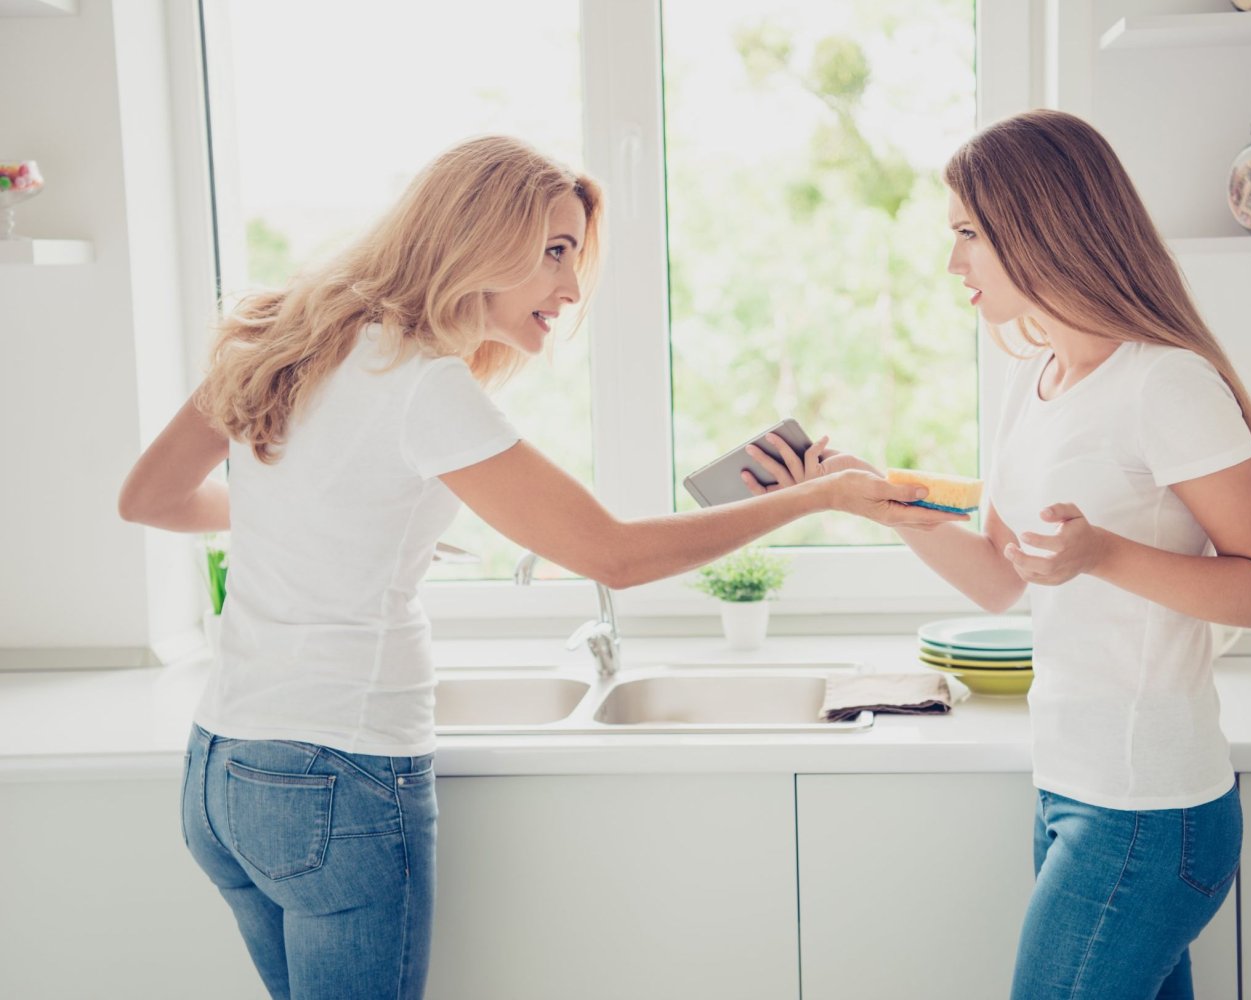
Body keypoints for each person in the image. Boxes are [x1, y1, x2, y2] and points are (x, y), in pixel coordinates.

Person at [117, 135, 961, 999]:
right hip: (336, 771)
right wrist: (817, 498)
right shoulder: (422, 382)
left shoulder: (284, 334)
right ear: (476, 238)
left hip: (221, 768)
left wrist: (329, 515)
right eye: (554, 251)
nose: (571, 287)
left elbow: (149, 497)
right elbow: (614, 556)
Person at [744, 110, 1251, 1000]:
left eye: (968, 233)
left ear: (1041, 226)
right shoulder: (1031, 381)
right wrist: (877, 499)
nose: (952, 262)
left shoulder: (1166, 383)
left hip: (1149, 809)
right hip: (1069, 787)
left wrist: (1100, 553)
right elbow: (1001, 578)